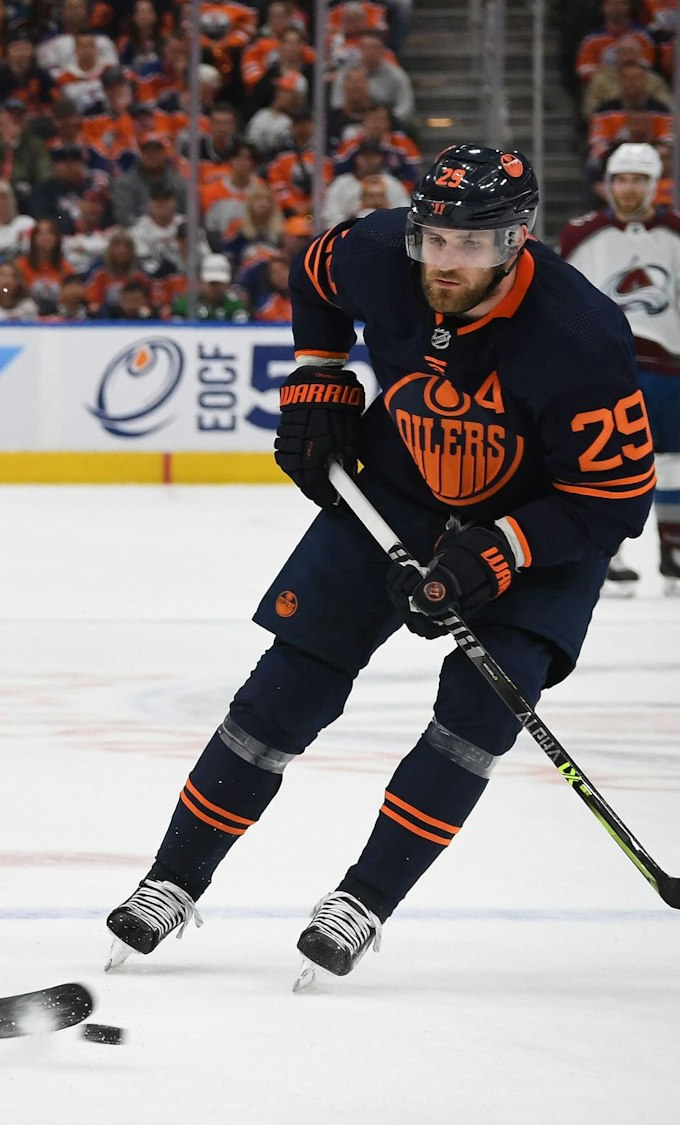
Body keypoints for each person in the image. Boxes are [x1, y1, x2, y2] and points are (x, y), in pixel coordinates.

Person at [103, 145, 653, 988]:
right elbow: (312, 273)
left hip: (539, 524)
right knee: (287, 686)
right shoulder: (379, 250)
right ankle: (171, 879)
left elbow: (612, 498)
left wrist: (497, 553)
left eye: (469, 246)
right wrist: (320, 378)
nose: (443, 261)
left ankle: (362, 901)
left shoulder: (581, 337)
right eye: (433, 239)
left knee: (477, 714)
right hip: (400, 486)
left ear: (519, 238)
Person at [558, 142, 680, 595]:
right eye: (622, 179)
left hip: (668, 368)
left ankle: (673, 553)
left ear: (654, 184)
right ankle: (610, 555)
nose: (629, 188)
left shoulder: (675, 232)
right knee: (605, 462)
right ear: (608, 183)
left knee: (671, 463)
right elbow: (563, 299)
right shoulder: (580, 234)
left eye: (639, 179)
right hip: (602, 368)